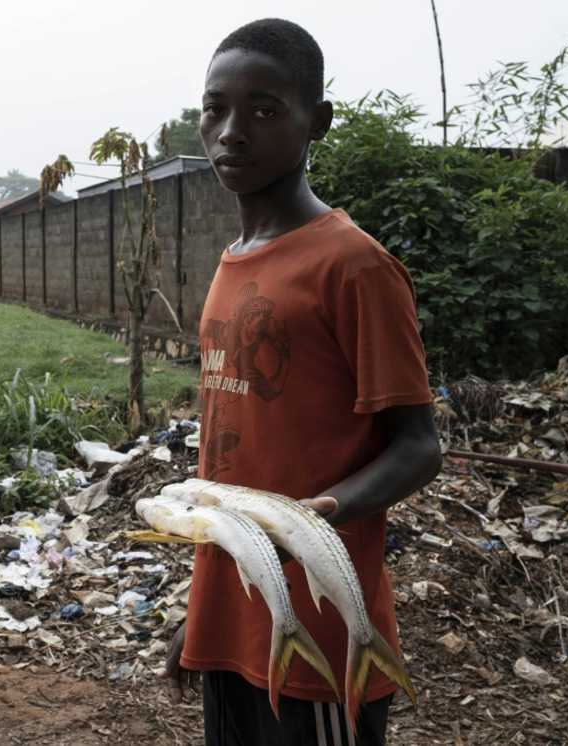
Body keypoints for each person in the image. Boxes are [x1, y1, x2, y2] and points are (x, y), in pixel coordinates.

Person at [163, 19, 442, 746]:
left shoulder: (353, 266)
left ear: (316, 122)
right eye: (214, 108)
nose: (230, 132)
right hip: (234, 618)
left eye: (263, 110)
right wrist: (203, 612)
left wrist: (312, 519)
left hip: (321, 629)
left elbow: (419, 446)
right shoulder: (234, 261)